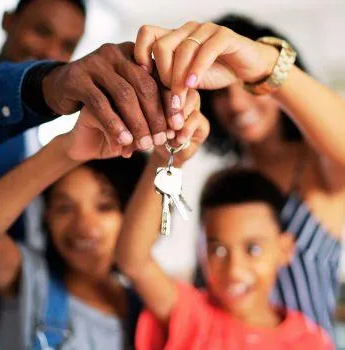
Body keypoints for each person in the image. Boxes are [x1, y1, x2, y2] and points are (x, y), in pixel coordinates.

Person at [133, 17, 345, 337]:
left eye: (247, 86)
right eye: (221, 90)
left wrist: (263, 62)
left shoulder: (320, 168)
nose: (235, 102)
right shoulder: (224, 182)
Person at [0, 84, 200, 349]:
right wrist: (66, 150)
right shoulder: (29, 280)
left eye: (104, 206)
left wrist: (167, 158)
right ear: (46, 216)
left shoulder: (152, 306)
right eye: (64, 208)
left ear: (132, 211)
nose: (84, 226)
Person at [116, 141, 333, 348]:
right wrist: (164, 160)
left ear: (285, 249)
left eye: (253, 249)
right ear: (201, 250)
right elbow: (133, 262)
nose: (234, 270)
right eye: (218, 250)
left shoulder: (311, 341)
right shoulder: (192, 316)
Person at [0, 0, 87, 243]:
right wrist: (44, 83)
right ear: (8, 21)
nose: (50, 52)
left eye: (67, 45)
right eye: (42, 31)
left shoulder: (35, 136)